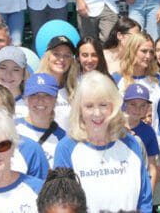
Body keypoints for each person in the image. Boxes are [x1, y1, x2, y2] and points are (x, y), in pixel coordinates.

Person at [54, 71, 152, 212]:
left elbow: (145, 199)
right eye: (89, 106)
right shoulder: (66, 148)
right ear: (79, 109)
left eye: (103, 105)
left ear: (114, 106)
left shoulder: (130, 143)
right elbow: (62, 203)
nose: (97, 113)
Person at [115, 33, 160, 142]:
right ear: (132, 51)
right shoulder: (117, 79)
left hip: (153, 144)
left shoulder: (158, 80)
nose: (148, 56)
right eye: (144, 51)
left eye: (151, 52)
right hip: (124, 144)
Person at [16, 73, 66, 165]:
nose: (40, 100)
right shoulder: (11, 129)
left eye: (47, 95)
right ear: (25, 98)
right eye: (34, 94)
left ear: (55, 99)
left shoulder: (63, 139)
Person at [122, 83, 160, 197]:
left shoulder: (148, 132)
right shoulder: (114, 127)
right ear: (125, 104)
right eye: (133, 104)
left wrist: (149, 195)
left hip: (138, 185)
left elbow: (152, 167)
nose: (137, 109)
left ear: (148, 108)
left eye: (142, 105)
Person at [37, 35, 76, 131]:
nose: (61, 59)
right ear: (48, 57)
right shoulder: (35, 87)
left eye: (67, 55)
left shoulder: (75, 90)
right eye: (56, 54)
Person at [0, 45, 29, 118]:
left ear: (23, 74)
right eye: (3, 68)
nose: (8, 75)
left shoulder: (31, 106)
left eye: (15, 69)